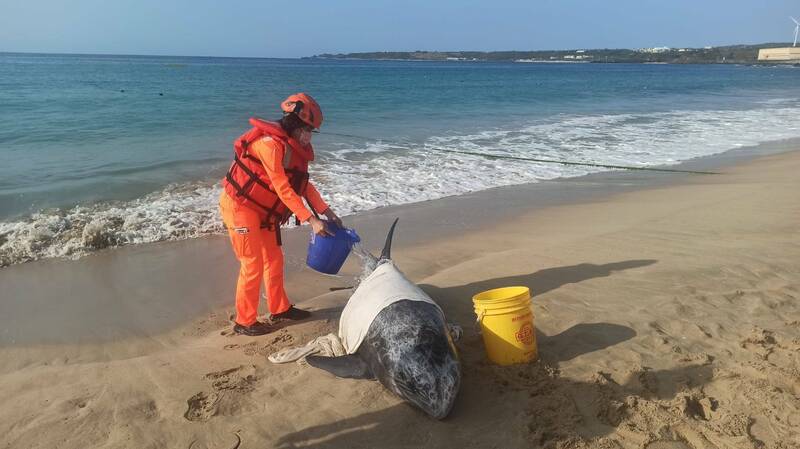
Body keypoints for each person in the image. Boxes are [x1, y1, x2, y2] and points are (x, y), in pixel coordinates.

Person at [219, 93, 342, 336]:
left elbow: (303, 185)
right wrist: (311, 220)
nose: (309, 136)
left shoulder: (294, 147)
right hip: (241, 208)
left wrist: (327, 212)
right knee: (252, 263)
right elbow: (282, 187)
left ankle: (279, 308)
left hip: (264, 212)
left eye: (311, 131)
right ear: (296, 125)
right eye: (308, 129)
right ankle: (245, 321)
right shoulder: (270, 145)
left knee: (274, 258)